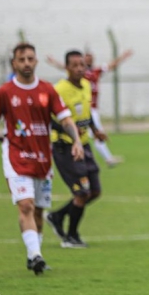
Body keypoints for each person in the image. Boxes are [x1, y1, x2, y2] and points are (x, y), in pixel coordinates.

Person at [0, 43, 83, 275]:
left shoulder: (47, 90)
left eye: (30, 59)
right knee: (26, 205)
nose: (26, 63)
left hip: (42, 158)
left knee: (39, 211)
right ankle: (36, 255)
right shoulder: (4, 92)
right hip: (16, 157)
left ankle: (34, 256)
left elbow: (65, 119)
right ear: (14, 63)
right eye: (21, 60)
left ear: (36, 61)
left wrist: (77, 141)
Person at [44, 50, 103, 249]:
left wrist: (96, 130)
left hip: (84, 145)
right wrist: (68, 130)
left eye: (82, 65)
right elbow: (49, 119)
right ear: (67, 67)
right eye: (74, 65)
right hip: (65, 148)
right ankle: (71, 237)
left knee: (94, 191)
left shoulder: (86, 85)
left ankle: (57, 216)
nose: (79, 69)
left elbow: (87, 113)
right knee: (82, 193)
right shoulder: (58, 90)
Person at [47, 48, 133, 167]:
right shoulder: (75, 78)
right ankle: (106, 158)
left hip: (90, 109)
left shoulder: (95, 72)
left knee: (91, 133)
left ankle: (103, 157)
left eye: (86, 60)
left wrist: (123, 57)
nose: (80, 68)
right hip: (79, 109)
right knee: (79, 132)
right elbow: (66, 67)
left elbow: (111, 66)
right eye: (86, 57)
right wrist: (54, 62)